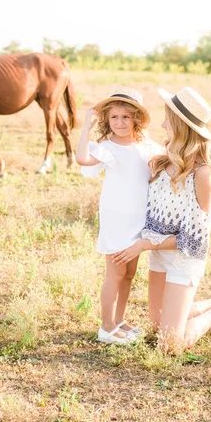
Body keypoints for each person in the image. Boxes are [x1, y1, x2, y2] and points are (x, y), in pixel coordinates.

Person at [112, 87, 211, 353]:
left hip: (184, 257)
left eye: (166, 120)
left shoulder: (203, 173)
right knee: (157, 323)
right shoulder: (161, 162)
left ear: (180, 126)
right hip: (159, 253)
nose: (161, 125)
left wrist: (145, 245)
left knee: (170, 344)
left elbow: (195, 241)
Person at [76, 87, 162, 345]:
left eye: (126, 117)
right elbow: (82, 158)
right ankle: (106, 327)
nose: (120, 122)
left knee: (129, 273)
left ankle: (119, 319)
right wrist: (85, 128)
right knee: (115, 273)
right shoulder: (108, 147)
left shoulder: (147, 146)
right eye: (114, 117)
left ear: (137, 118)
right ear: (107, 120)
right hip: (117, 219)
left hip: (139, 220)